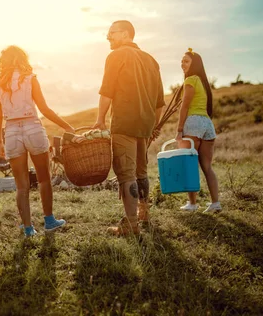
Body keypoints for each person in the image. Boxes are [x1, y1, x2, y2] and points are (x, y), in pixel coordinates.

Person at [0, 45, 74, 237]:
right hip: (33, 128)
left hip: (11, 131)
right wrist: (66, 126)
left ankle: (28, 228)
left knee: (21, 186)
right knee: (44, 179)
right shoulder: (30, 79)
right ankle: (49, 220)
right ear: (22, 59)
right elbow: (44, 109)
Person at [93, 20, 165, 236]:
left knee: (126, 175)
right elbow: (159, 102)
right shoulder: (151, 60)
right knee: (141, 172)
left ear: (125, 34)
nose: (108, 37)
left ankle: (131, 226)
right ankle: (144, 214)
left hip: (124, 122)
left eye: (111, 32)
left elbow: (107, 91)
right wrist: (154, 126)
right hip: (145, 124)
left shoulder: (116, 56)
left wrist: (100, 119)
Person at [176, 48, 221, 213]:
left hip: (193, 122)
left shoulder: (191, 80)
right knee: (207, 166)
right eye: (181, 61)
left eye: (186, 61)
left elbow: (185, 106)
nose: (182, 64)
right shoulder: (203, 82)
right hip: (207, 124)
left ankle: (193, 204)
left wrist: (179, 129)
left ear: (195, 64)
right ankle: (215, 203)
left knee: (189, 165)